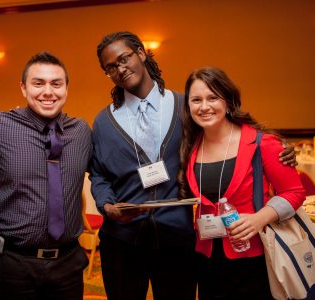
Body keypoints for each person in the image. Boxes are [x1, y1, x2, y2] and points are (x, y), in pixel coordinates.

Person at [90, 31, 296, 300]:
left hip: (178, 238)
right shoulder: (104, 121)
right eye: (111, 67)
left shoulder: (185, 106)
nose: (120, 68)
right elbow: (99, 173)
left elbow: (226, 129)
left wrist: (276, 145)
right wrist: (106, 205)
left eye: (124, 58)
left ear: (141, 53)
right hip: (122, 240)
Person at [0, 51, 92, 300]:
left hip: (68, 263)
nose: (48, 92)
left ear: (66, 89)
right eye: (38, 83)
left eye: (56, 84)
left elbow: (106, 172)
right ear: (23, 89)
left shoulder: (81, 132)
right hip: (14, 264)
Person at [179, 66, 305, 300]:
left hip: (255, 255)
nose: (204, 106)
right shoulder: (190, 145)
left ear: (228, 100)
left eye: (212, 98)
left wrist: (261, 218)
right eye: (196, 100)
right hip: (207, 258)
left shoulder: (262, 143)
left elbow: (294, 192)